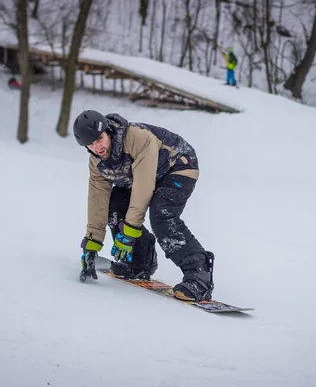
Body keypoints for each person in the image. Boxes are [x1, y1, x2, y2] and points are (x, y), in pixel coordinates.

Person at [74, 110, 215, 302]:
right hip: (142, 178)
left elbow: (143, 187)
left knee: (162, 215)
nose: (97, 146)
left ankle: (199, 275)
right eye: (91, 144)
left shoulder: (136, 138)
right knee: (114, 207)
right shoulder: (97, 162)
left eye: (99, 138)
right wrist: (92, 244)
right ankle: (140, 262)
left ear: (108, 130)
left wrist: (130, 232)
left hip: (178, 166)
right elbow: (98, 200)